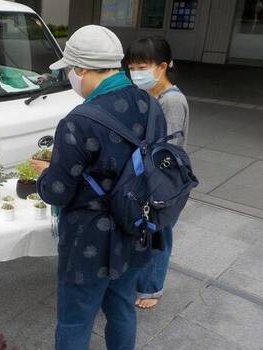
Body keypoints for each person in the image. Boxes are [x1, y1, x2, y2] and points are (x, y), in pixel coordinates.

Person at [30, 25, 167, 350]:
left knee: (75, 322)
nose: (70, 78)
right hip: (134, 228)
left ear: (80, 69)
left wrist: (44, 174)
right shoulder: (150, 105)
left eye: (69, 71)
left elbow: (57, 191)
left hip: (86, 242)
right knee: (121, 311)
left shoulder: (78, 121)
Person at [125, 36, 190, 309]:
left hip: (165, 182)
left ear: (162, 66)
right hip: (148, 179)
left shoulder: (172, 101)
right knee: (147, 233)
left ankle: (152, 289)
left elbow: (169, 148)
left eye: (142, 66)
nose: (136, 72)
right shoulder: (150, 95)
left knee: (160, 234)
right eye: (132, 67)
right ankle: (142, 283)